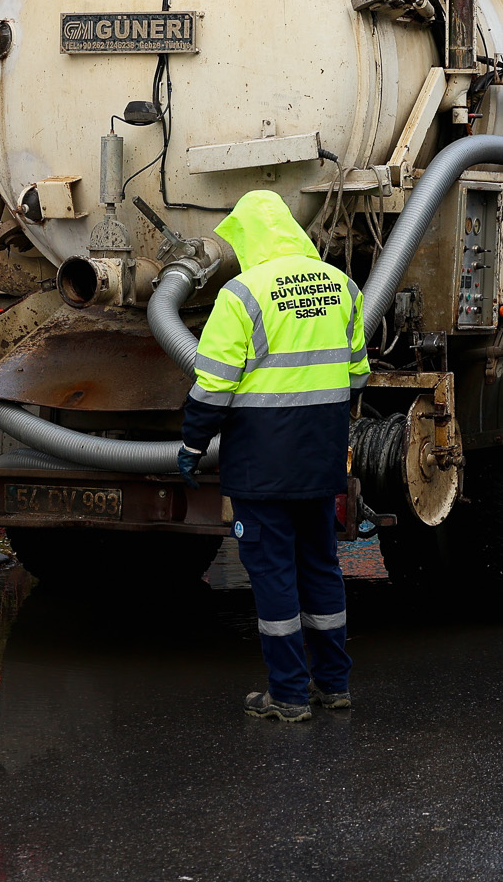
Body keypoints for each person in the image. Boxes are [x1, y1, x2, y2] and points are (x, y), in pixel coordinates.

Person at [177, 190, 369, 723]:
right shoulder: (342, 286)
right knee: (321, 569)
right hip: (321, 460)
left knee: (274, 578)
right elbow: (356, 375)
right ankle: (334, 685)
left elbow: (212, 386)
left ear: (248, 237)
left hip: (261, 469)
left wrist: (192, 447)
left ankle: (287, 695)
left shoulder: (242, 295)